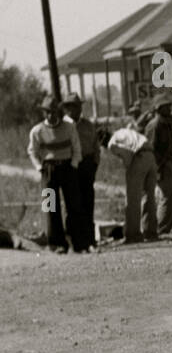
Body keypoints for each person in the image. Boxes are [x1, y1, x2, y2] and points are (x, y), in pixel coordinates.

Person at [27, 95, 85, 253]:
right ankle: (56, 244)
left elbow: (76, 147)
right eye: (48, 112)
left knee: (73, 205)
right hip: (48, 170)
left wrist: (73, 165)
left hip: (67, 168)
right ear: (44, 113)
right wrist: (39, 167)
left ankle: (78, 243)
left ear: (59, 112)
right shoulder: (37, 131)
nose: (51, 116)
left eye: (54, 112)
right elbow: (32, 151)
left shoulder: (69, 127)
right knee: (50, 207)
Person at [107, 114, 158, 243]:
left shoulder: (112, 141)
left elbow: (127, 155)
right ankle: (150, 231)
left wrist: (128, 168)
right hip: (151, 157)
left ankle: (133, 234)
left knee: (132, 198)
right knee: (149, 196)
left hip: (139, 157)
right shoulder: (127, 131)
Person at [62, 93, 99, 250]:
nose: (76, 109)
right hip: (66, 167)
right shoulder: (61, 126)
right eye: (72, 106)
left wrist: (94, 165)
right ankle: (71, 240)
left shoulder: (88, 125)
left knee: (87, 202)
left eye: (78, 106)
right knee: (70, 204)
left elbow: (96, 147)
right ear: (66, 108)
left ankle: (89, 239)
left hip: (86, 165)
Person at [145, 94, 172, 237]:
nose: (169, 109)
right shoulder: (154, 125)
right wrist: (158, 168)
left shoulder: (167, 123)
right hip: (162, 165)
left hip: (170, 163)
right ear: (158, 109)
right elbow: (151, 149)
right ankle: (161, 230)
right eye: (166, 107)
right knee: (167, 197)